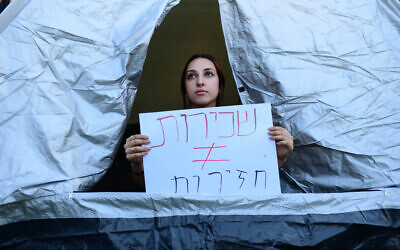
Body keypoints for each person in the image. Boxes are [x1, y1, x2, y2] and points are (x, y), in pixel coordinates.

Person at [124, 54, 294, 191]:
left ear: (220, 84)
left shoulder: (246, 129)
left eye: (208, 74)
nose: (200, 82)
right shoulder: (160, 133)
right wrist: (137, 164)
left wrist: (279, 157)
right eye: (191, 76)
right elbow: (150, 187)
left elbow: (253, 181)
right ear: (184, 87)